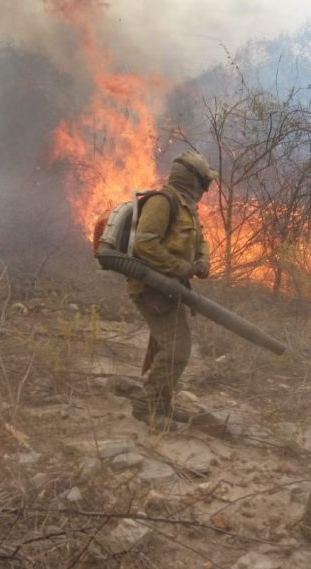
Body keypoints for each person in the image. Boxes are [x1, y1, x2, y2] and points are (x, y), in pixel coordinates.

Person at [128, 150, 218, 429]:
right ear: (192, 181)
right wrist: (180, 267)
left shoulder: (188, 209)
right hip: (152, 287)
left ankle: (162, 404)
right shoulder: (162, 202)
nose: (205, 190)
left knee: (168, 344)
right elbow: (144, 243)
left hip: (171, 289)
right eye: (204, 184)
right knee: (178, 348)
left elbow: (200, 239)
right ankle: (146, 404)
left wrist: (202, 260)